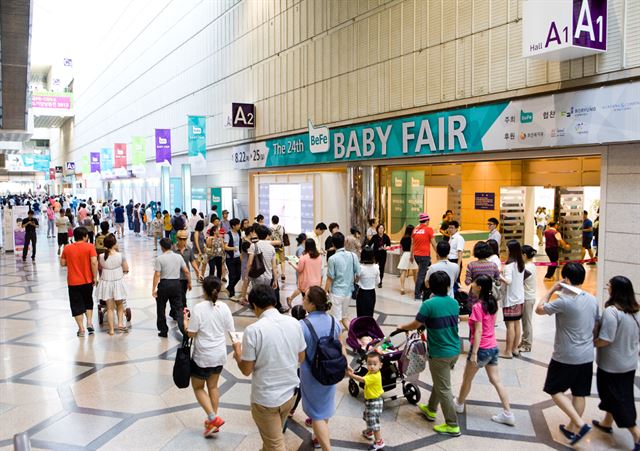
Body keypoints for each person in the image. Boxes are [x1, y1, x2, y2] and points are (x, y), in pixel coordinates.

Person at [231, 285, 306, 451]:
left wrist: (238, 353)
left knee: (275, 444)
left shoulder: (254, 330)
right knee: (272, 437)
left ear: (255, 306)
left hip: (266, 399)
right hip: (290, 394)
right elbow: (301, 357)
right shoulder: (294, 323)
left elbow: (246, 369)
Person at [535, 263, 599, 445]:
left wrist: (552, 290)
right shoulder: (591, 299)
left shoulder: (564, 301)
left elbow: (539, 309)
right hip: (587, 354)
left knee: (554, 389)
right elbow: (596, 323)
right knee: (579, 393)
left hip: (566, 354)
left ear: (566, 280)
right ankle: (572, 429)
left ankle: (579, 424)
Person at [398, 271, 461, 437]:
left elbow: (416, 323)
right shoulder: (454, 303)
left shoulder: (429, 304)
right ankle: (431, 409)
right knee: (441, 381)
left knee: (444, 388)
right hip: (454, 349)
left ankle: (452, 425)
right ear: (448, 286)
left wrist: (403, 326)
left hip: (440, 352)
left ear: (430, 286)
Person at [454, 274, 515, 426]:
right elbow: (483, 320)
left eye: (473, 283)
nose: (471, 286)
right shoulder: (491, 302)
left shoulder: (477, 306)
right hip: (492, 348)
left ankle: (459, 404)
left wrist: (474, 353)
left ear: (479, 287)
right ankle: (508, 413)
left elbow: (479, 330)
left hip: (481, 349)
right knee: (496, 381)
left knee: (467, 379)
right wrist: (462, 318)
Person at [183, 276, 234, 436]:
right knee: (213, 387)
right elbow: (231, 330)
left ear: (203, 290)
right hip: (219, 354)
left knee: (198, 387)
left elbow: (191, 334)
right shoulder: (224, 307)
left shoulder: (198, 308)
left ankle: (212, 417)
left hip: (203, 356)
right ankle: (214, 422)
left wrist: (185, 321)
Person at [593, 276, 640, 449]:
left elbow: (606, 339)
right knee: (622, 395)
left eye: (609, 285)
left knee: (616, 399)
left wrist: (591, 342)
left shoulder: (612, 312)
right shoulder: (636, 310)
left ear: (616, 290)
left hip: (612, 365)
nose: (607, 287)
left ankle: (636, 434)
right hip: (629, 363)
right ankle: (607, 422)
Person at [299, 286, 344, 450]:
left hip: (311, 374)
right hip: (331, 370)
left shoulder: (303, 325)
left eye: (305, 298)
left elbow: (301, 356)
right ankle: (318, 437)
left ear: (311, 305)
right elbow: (340, 344)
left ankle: (327, 448)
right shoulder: (333, 321)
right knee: (323, 407)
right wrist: (345, 365)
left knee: (316, 413)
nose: (303, 300)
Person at [60, 227, 98, 337]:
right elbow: (94, 262)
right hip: (87, 280)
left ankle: (81, 329)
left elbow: (62, 263)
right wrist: (95, 277)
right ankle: (89, 322)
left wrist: (72, 262)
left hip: (73, 282)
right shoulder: (90, 247)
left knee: (76, 305)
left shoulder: (67, 248)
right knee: (88, 301)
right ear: (85, 236)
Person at [152, 237, 192, 337]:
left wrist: (154, 288)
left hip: (164, 284)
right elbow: (186, 271)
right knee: (178, 308)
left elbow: (157, 274)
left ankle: (163, 330)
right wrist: (189, 282)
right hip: (176, 284)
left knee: (161, 308)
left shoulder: (160, 258)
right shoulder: (178, 257)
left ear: (161, 247)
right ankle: (184, 330)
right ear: (171, 246)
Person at [347, 351, 386, 450]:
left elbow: (362, 380)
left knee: (374, 421)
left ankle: (379, 442)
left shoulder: (374, 376)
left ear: (380, 365)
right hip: (371, 401)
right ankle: (369, 431)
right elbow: (364, 376)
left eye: (375, 364)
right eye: (369, 364)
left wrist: (351, 375)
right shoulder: (372, 372)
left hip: (375, 402)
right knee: (368, 417)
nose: (372, 366)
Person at [325, 232, 360, 331]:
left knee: (336, 321)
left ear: (333, 244)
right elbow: (358, 274)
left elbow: (329, 279)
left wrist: (324, 292)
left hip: (336, 293)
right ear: (344, 242)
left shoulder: (332, 259)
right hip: (348, 292)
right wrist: (352, 281)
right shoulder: (353, 256)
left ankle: (339, 343)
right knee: (344, 317)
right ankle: (355, 338)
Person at [96, 234, 129, 335]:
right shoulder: (120, 255)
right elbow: (126, 269)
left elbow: (99, 268)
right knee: (119, 306)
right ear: (114, 244)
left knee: (109, 308)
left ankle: (111, 330)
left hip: (106, 283)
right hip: (117, 282)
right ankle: (120, 324)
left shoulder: (101, 256)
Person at [500, 240, 526, 359]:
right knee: (517, 324)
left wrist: (499, 275)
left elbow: (508, 281)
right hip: (520, 298)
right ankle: (515, 348)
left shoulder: (509, 266)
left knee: (510, 325)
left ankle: (508, 351)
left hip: (510, 299)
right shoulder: (521, 264)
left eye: (507, 248)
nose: (505, 250)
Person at [288, 238, 322, 309]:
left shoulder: (303, 258)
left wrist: (291, 264)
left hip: (306, 282)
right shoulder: (319, 256)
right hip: (316, 282)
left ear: (306, 246)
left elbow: (299, 269)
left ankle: (305, 310)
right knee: (313, 299)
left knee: (306, 297)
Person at [411, 213, 437, 301]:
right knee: (421, 275)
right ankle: (417, 294)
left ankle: (422, 290)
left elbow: (412, 244)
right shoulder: (429, 229)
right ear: (427, 221)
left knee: (423, 272)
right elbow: (433, 244)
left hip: (416, 255)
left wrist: (411, 255)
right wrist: (439, 253)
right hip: (424, 256)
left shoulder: (415, 230)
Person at [244, 224, 278, 291]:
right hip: (268, 277)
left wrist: (246, 275)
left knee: (256, 296)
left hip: (257, 276)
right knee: (264, 296)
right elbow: (274, 266)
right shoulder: (271, 248)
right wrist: (275, 280)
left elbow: (250, 263)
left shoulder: (254, 246)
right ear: (266, 235)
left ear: (257, 234)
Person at [519, 245, 537, 353]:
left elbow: (518, 280)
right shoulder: (530, 265)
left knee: (527, 322)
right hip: (527, 296)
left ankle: (527, 344)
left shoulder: (528, 268)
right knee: (525, 321)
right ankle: (524, 340)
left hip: (527, 297)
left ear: (524, 255)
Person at [357, 246, 380, 317]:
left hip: (362, 293)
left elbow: (355, 281)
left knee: (361, 315)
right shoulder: (376, 267)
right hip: (372, 293)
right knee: (370, 314)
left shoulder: (360, 268)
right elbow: (378, 282)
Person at [224, 218, 242, 300]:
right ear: (233, 226)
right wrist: (233, 248)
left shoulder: (238, 232)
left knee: (238, 276)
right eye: (238, 224)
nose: (239, 226)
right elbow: (225, 247)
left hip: (238, 257)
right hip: (230, 258)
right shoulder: (228, 234)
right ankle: (232, 294)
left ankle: (228, 288)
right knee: (231, 276)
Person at [397, 225, 418, 296]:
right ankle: (416, 288)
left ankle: (402, 288)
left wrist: (401, 256)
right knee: (415, 272)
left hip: (405, 255)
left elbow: (401, 248)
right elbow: (414, 247)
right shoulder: (413, 238)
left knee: (403, 272)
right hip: (412, 254)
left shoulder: (403, 238)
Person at [368, 224, 390, 288]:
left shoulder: (386, 237)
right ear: (377, 229)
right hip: (375, 254)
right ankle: (372, 279)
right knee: (373, 267)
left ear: (384, 229)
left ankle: (380, 281)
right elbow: (369, 244)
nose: (381, 229)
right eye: (380, 228)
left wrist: (387, 247)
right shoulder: (374, 236)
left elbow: (389, 245)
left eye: (382, 228)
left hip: (383, 254)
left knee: (381, 268)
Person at [447, 221, 465, 289]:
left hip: (456, 261)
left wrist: (458, 265)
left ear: (457, 228)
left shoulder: (459, 238)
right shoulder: (451, 237)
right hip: (450, 260)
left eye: (452, 228)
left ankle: (458, 296)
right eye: (449, 228)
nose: (450, 229)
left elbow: (460, 252)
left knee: (456, 280)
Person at [270, 215, 286, 282]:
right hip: (281, 245)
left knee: (275, 260)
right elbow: (283, 235)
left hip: (273, 246)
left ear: (272, 221)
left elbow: (270, 237)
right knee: (282, 260)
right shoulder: (281, 227)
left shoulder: (270, 228)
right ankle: (283, 273)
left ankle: (276, 272)